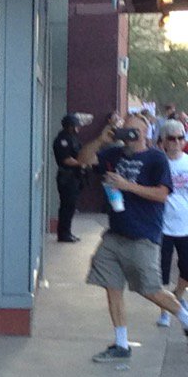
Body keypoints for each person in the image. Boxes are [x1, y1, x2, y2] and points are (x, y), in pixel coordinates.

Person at [77, 114, 188, 362]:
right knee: (112, 286)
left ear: (145, 134)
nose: (128, 135)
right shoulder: (113, 154)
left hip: (143, 236)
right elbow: (82, 160)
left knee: (149, 289)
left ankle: (185, 318)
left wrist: (127, 186)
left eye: (133, 131)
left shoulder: (155, 158)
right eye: (124, 130)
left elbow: (161, 195)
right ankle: (121, 343)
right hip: (114, 235)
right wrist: (101, 140)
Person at [156, 119, 188, 327]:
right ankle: (165, 311)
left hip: (185, 224)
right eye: (171, 138)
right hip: (162, 225)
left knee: (186, 268)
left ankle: (178, 296)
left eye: (180, 137)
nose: (176, 142)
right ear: (163, 141)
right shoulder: (158, 163)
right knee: (163, 271)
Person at [53, 114, 87, 243]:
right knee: (67, 206)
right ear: (70, 126)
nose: (78, 128)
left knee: (71, 206)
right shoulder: (63, 140)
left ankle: (67, 232)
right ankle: (64, 234)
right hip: (67, 178)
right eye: (76, 125)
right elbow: (66, 160)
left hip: (75, 177)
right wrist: (82, 162)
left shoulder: (73, 138)